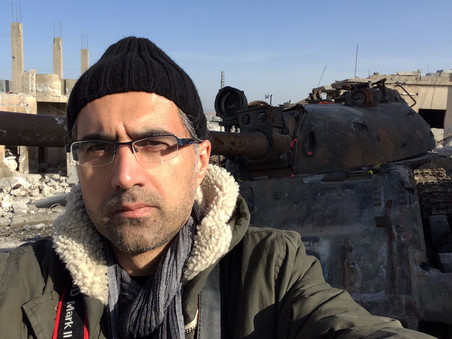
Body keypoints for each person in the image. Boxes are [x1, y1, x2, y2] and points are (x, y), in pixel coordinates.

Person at [0, 37, 434, 339]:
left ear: (201, 159)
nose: (124, 175)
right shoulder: (23, 279)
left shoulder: (273, 271)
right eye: (97, 148)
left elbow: (344, 326)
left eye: (154, 143)